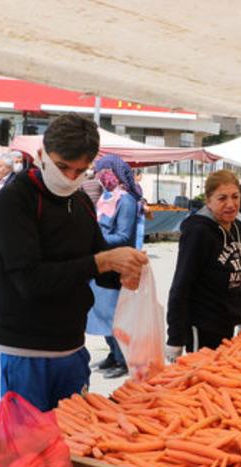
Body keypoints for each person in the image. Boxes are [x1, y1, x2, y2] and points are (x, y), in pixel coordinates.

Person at [0, 114, 149, 412]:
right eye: (62, 167)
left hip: (71, 349)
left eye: (80, 171)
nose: (70, 178)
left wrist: (125, 273)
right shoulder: (14, 201)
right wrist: (102, 262)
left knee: (68, 445)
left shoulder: (82, 201)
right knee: (21, 448)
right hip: (23, 350)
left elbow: (99, 266)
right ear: (41, 155)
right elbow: (30, 281)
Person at [166, 170, 241, 360]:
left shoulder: (239, 229)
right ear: (208, 200)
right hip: (204, 326)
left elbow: (239, 278)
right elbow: (181, 285)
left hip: (231, 325)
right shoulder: (198, 232)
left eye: (235, 197)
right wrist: (175, 338)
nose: (230, 204)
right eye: (222, 198)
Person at [86, 155, 143, 379]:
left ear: (114, 172)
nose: (100, 176)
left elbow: (124, 237)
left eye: (103, 172)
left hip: (116, 265)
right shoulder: (109, 197)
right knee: (101, 314)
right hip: (103, 263)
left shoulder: (126, 200)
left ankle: (123, 360)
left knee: (114, 317)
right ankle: (113, 353)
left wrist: (93, 238)